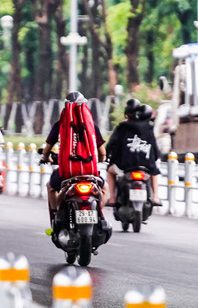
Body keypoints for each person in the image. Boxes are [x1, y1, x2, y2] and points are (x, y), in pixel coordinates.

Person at [40, 92, 107, 221]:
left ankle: (56, 216)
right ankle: (98, 213)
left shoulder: (60, 125)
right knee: (104, 187)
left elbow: (46, 149)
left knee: (50, 187)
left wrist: (45, 158)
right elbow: (102, 152)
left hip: (67, 173)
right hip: (89, 173)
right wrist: (101, 159)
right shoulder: (92, 125)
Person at [105, 103, 160, 205]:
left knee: (110, 171)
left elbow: (112, 144)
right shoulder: (149, 128)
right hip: (147, 166)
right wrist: (154, 159)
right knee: (154, 172)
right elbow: (155, 150)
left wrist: (107, 155)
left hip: (124, 166)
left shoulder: (123, 127)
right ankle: (156, 197)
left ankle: (112, 198)